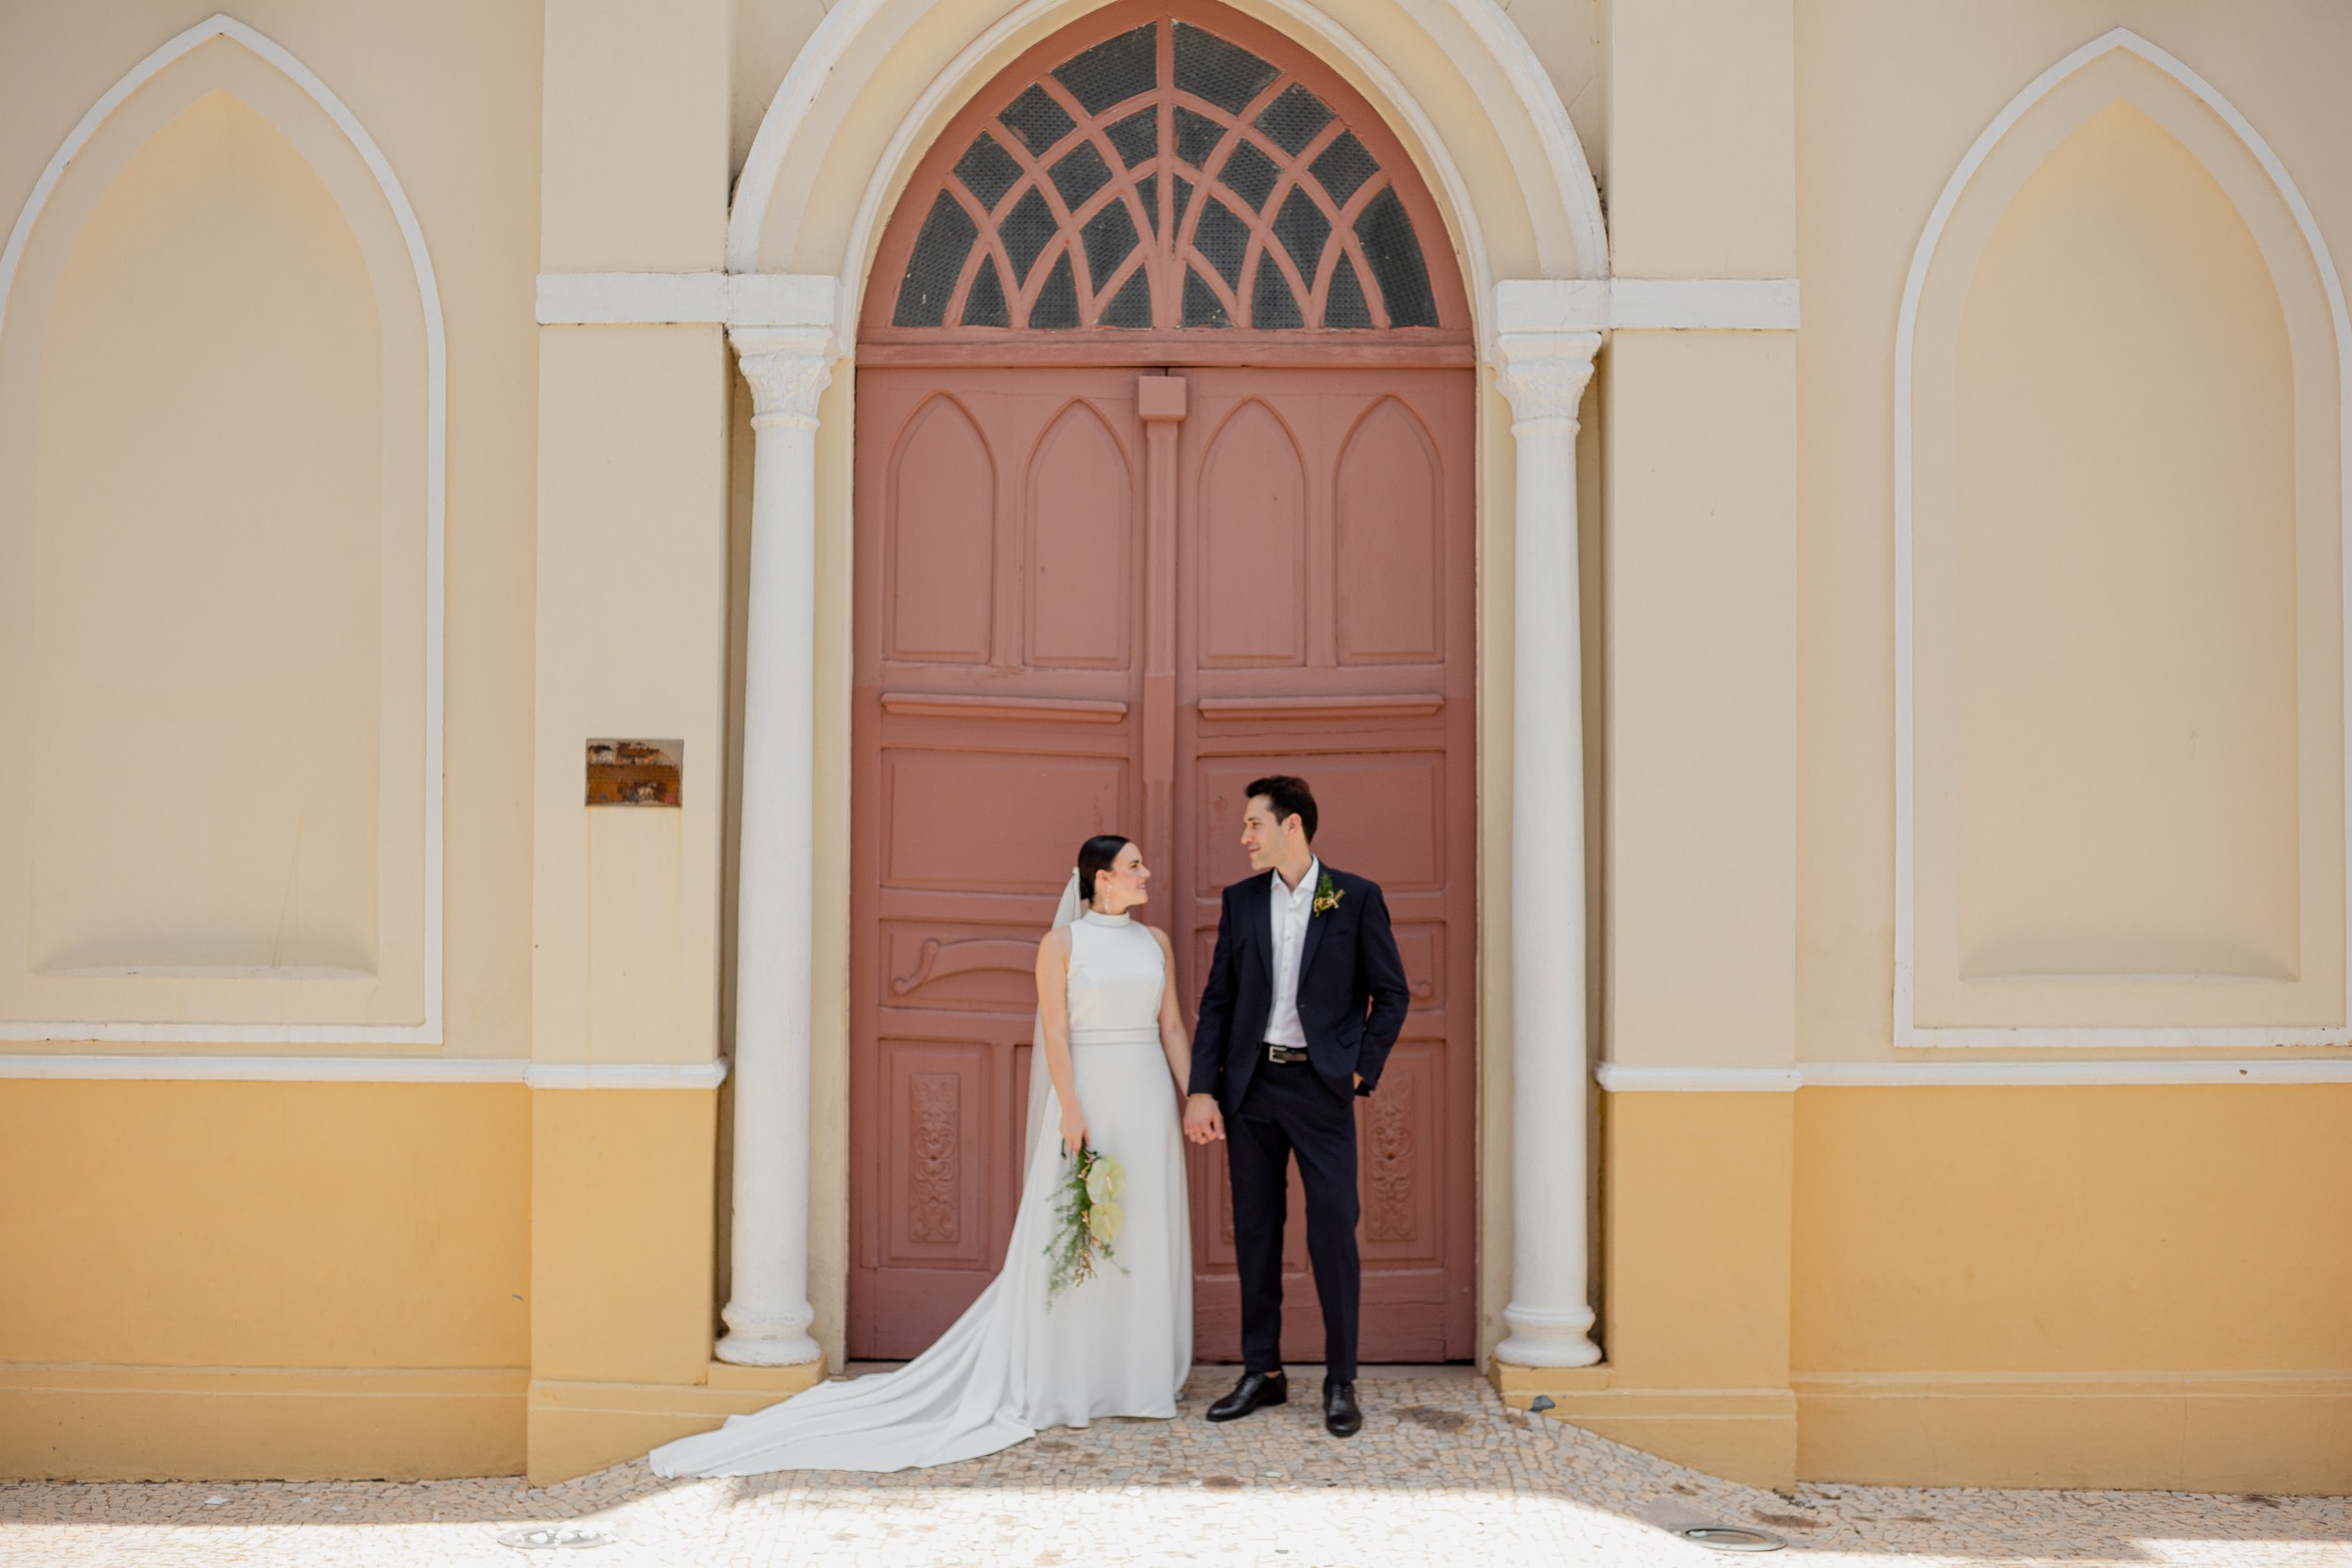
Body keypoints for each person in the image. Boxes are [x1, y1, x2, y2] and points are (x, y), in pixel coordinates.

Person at [648, 835, 1193, 1475]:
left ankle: (1136, 1377)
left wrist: (1196, 1096)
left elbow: (1171, 1026)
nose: (1146, 873)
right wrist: (1070, 1109)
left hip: (1147, 1096)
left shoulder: (1156, 942)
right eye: (1134, 865)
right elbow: (1054, 1030)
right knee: (1073, 1231)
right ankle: (1071, 1376)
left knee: (1141, 1226)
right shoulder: (1062, 945)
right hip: (1089, 1094)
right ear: (1101, 878)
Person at [1184, 775, 1410, 1438]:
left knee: (1332, 1230)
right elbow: (1218, 1000)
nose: (1244, 837)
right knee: (1256, 1229)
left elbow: (1392, 993)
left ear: (1292, 825)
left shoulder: (1355, 897)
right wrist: (1202, 1088)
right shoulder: (1241, 901)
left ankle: (1341, 1380)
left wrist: (1360, 1068)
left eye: (1253, 823)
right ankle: (1264, 1372)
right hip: (1251, 1087)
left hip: (1320, 1087)